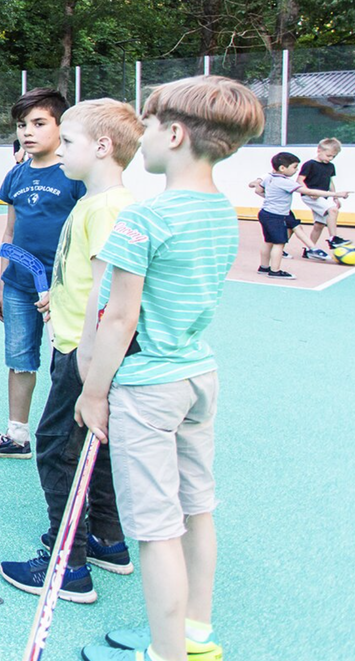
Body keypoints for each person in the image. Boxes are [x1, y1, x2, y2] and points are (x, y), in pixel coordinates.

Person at [75, 76, 266, 661]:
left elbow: (119, 318)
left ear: (175, 134)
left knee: (157, 530)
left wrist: (93, 392)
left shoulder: (145, 218)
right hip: (195, 376)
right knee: (195, 508)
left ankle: (165, 651)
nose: (146, 136)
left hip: (146, 386)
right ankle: (193, 633)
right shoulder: (222, 211)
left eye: (152, 126)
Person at [0, 99, 141, 605]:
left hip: (82, 351)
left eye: (71, 142)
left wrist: (86, 368)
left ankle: (69, 565)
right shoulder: (93, 203)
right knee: (89, 447)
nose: (62, 152)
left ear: (102, 148)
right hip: (76, 342)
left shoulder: (107, 207)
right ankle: (107, 540)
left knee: (57, 446)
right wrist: (55, 299)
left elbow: (108, 299)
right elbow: (81, 280)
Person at [0, 88, 86, 460]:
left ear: (61, 126)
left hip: (64, 290)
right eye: (22, 125)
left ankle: (73, 438)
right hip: (19, 285)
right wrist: (3, 284)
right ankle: (17, 435)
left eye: (38, 123)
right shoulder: (16, 175)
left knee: (68, 364)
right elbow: (9, 234)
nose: (27, 132)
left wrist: (68, 287)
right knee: (20, 360)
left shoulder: (75, 175)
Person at [249, 152, 347, 280]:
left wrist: (272, 197)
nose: (296, 170)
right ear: (283, 168)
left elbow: (259, 190)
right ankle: (275, 271)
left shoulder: (269, 177)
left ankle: (264, 267)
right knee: (279, 244)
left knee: (268, 241)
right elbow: (308, 191)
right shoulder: (286, 182)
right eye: (294, 167)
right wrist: (337, 194)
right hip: (276, 216)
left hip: (265, 213)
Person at [300, 138, 348, 249]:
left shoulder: (331, 167)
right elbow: (299, 180)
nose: (330, 159)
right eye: (328, 155)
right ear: (319, 150)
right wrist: (308, 191)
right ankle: (333, 239)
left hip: (323, 197)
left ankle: (309, 249)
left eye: (333, 157)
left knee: (319, 225)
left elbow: (330, 182)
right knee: (333, 210)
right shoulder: (310, 164)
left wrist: (335, 197)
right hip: (310, 196)